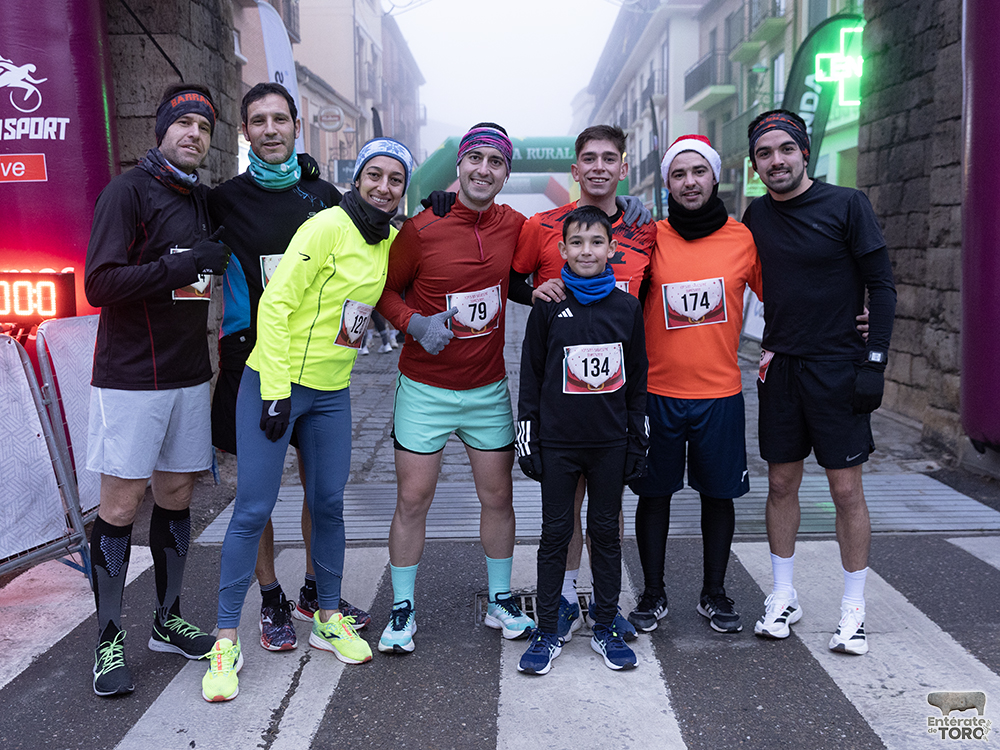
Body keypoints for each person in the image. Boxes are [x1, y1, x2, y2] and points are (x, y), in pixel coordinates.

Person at [202, 137, 415, 701]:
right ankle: (225, 638)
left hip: (331, 390)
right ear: (358, 177)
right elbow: (274, 304)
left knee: (327, 503)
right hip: (274, 383)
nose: (384, 186)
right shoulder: (326, 226)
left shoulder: (389, 238)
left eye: (397, 179)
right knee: (253, 506)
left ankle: (325, 615)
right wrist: (274, 390)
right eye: (375, 174)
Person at [208, 82, 369, 654]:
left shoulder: (326, 196)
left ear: (297, 127)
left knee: (320, 491)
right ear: (245, 131)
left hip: (320, 369)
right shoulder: (221, 199)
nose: (271, 129)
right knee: (256, 494)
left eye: (281, 119)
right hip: (250, 358)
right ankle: (269, 591)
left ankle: (313, 593)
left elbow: (381, 236)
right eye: (259, 120)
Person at [84, 84, 230, 697]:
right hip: (130, 378)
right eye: (184, 123)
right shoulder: (127, 191)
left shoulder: (201, 199)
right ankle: (109, 639)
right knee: (120, 507)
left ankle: (167, 620)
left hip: (189, 374)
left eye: (204, 126)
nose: (194, 133)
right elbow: (100, 283)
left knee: (176, 495)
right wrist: (183, 262)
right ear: (161, 130)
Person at [375, 123, 534, 654]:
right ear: (459, 165)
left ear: (506, 173)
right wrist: (414, 324)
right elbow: (385, 293)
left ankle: (500, 599)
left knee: (499, 497)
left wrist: (622, 209)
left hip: (488, 390)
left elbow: (567, 237)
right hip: (425, 388)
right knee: (413, 499)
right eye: (476, 160)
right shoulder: (421, 228)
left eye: (496, 162)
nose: (484, 170)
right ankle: (402, 608)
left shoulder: (516, 225)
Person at [743, 110, 896, 655]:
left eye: (786, 149)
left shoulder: (847, 204)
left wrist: (874, 361)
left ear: (804, 153)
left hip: (838, 367)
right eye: (765, 153)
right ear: (755, 164)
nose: (776, 160)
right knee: (781, 485)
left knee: (844, 489)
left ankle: (853, 611)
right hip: (780, 366)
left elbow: (882, 285)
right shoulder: (755, 214)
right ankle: (783, 595)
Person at [510, 124, 655, 640]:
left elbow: (657, 293)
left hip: (613, 412)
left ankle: (607, 606)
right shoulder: (542, 225)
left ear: (622, 166)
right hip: (562, 413)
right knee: (562, 514)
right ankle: (566, 599)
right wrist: (539, 297)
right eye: (588, 158)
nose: (598, 166)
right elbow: (511, 279)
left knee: (607, 519)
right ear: (575, 169)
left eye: (608, 158)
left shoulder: (645, 229)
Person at [627, 135, 761, 635]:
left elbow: (781, 300)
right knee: (653, 496)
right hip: (658, 393)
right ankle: (654, 594)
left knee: (718, 498)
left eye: (697, 172)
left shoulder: (742, 239)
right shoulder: (649, 236)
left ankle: (715, 594)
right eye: (678, 174)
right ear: (667, 182)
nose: (689, 182)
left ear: (714, 177)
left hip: (720, 394)